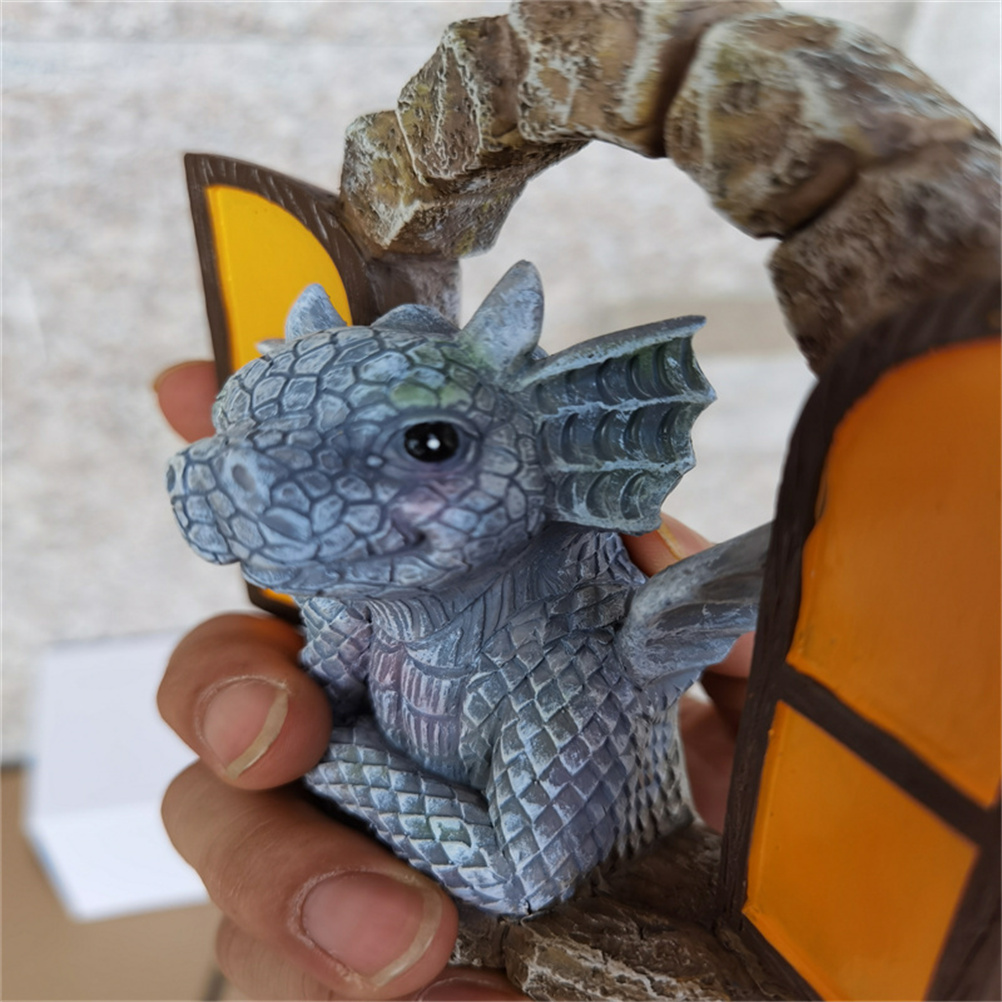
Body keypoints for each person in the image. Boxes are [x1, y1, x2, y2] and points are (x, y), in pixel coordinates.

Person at [155, 360, 753, 1001]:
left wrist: (333, 755)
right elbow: (325, 693)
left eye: (427, 443)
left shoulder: (567, 655)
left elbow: (518, 880)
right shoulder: (369, 599)